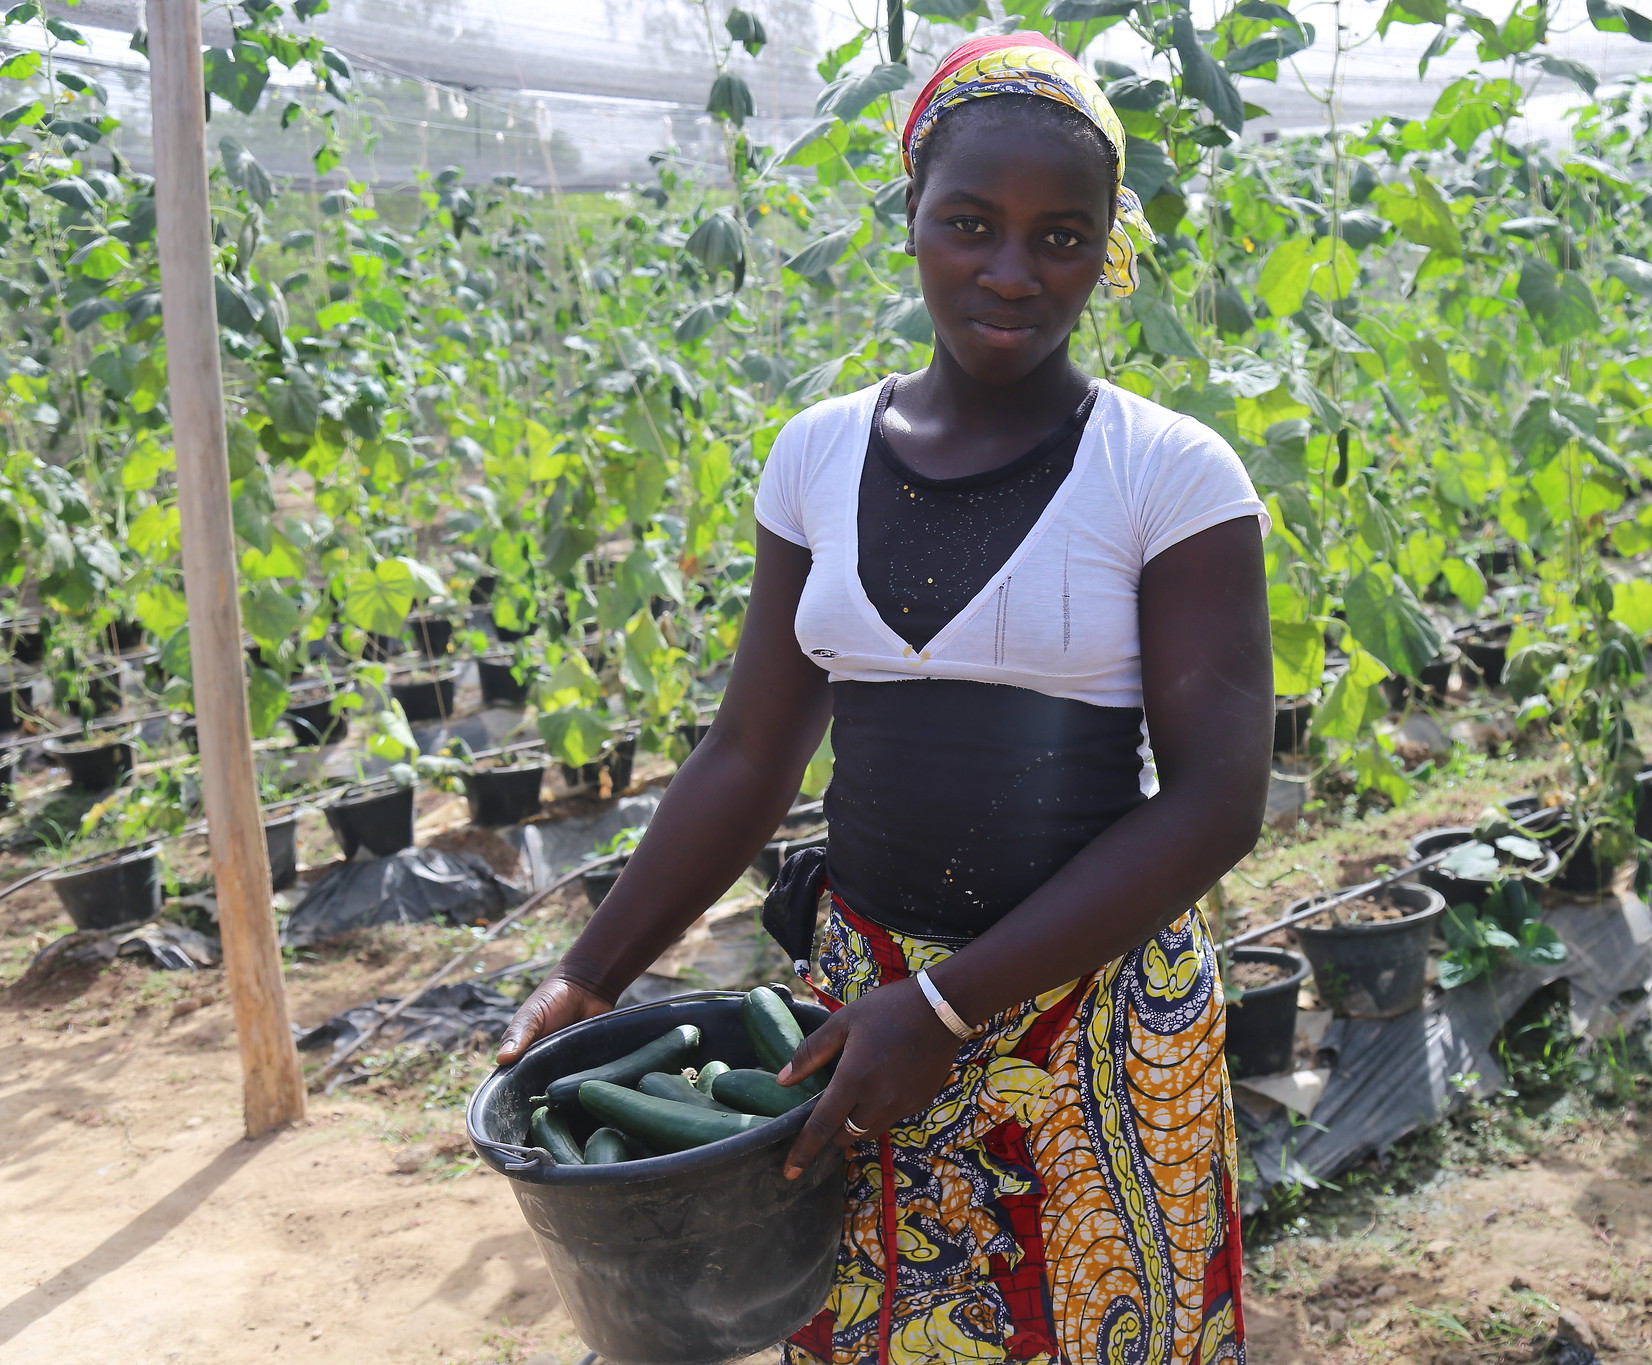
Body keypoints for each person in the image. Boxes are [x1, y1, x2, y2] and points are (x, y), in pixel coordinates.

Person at [496, 32, 1272, 1365]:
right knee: (865, 1328)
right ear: (911, 214)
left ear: (1107, 250)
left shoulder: (1172, 476)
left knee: (1099, 1328)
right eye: (971, 223)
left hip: (1083, 1014)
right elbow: (749, 752)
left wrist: (952, 1005)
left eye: (1062, 237)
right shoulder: (815, 456)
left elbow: (1216, 801)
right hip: (855, 1017)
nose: (1014, 273)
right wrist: (587, 972)